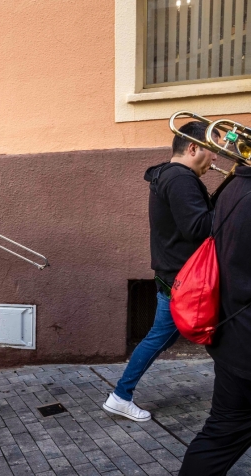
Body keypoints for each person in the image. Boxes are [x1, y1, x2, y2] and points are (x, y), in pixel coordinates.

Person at [103, 121, 219, 422]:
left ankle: (121, 395)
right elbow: (199, 227)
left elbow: (197, 218)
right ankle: (120, 396)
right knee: (195, 335)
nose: (217, 158)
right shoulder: (180, 179)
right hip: (183, 278)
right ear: (192, 148)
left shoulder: (172, 175)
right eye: (213, 150)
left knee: (164, 336)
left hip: (173, 273)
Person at [179, 163, 251, 473]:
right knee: (222, 435)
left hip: (233, 335)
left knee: (221, 434)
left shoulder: (234, 184)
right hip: (244, 340)